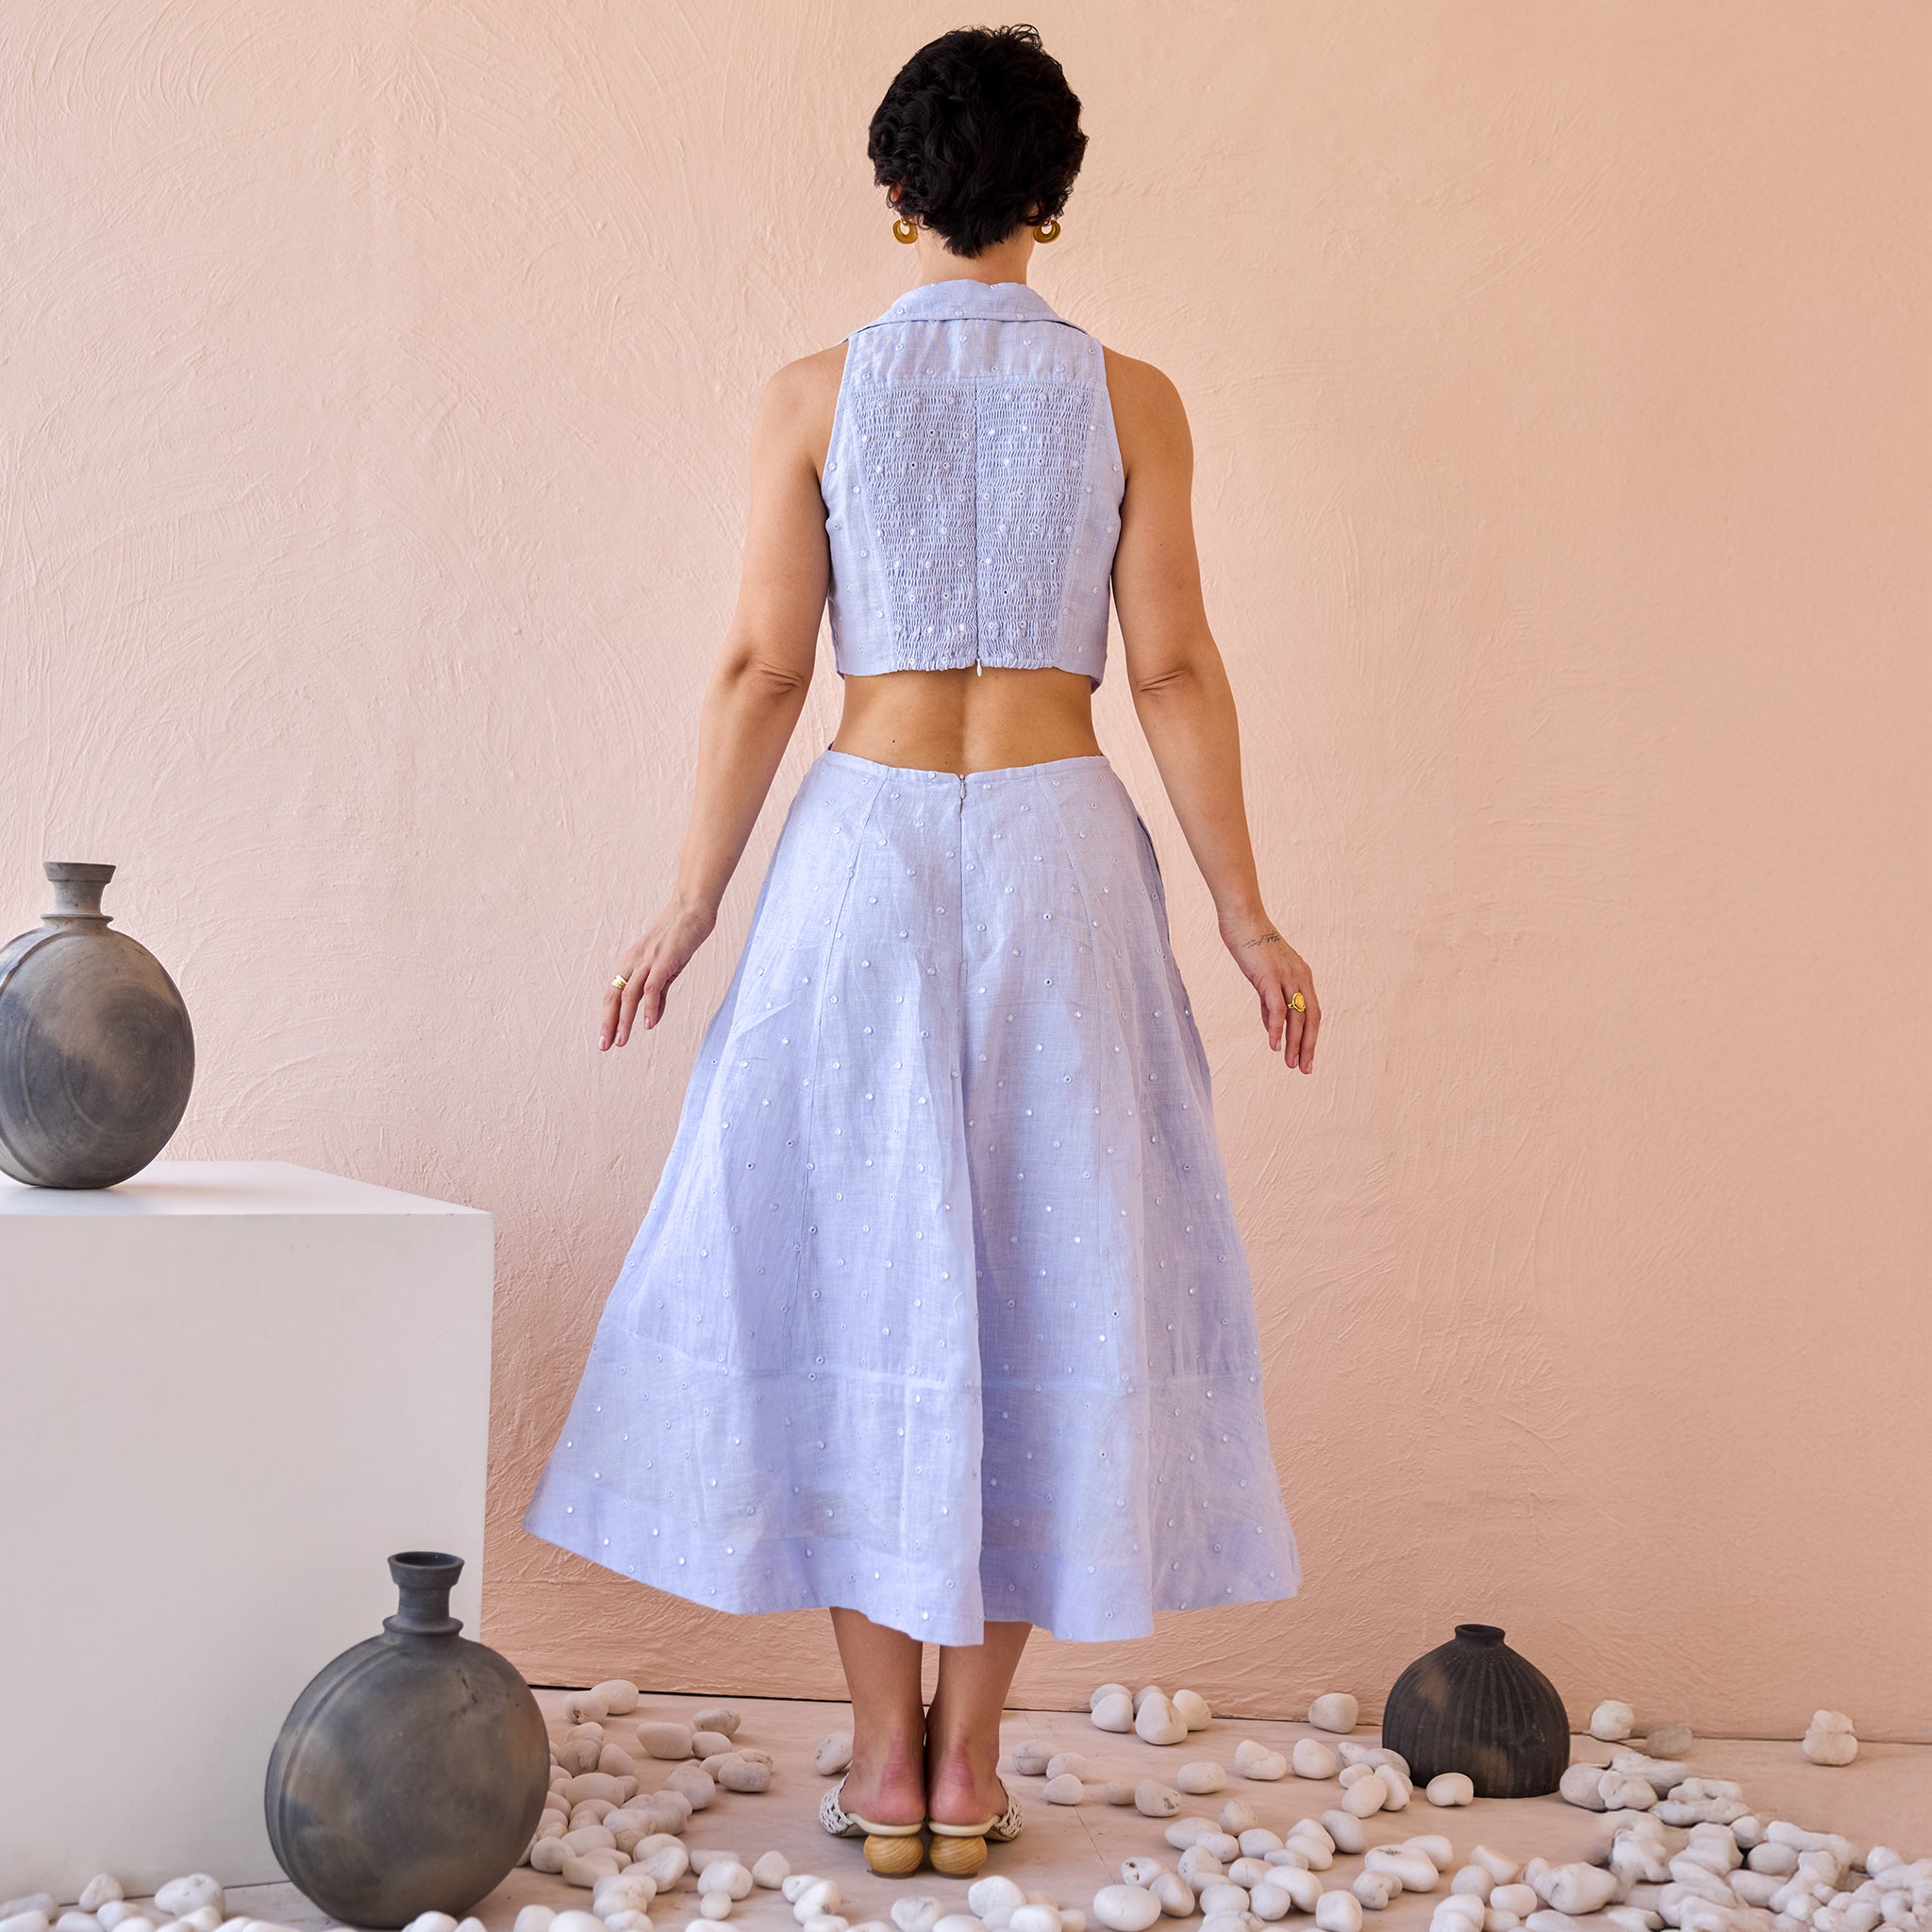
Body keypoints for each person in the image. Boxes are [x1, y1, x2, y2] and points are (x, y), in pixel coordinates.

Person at [524, 22, 1318, 1879]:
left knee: (855, 1268)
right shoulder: (1134, 399)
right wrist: (1247, 912)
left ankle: (881, 1759)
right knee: (1051, 1265)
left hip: (863, 853)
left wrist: (691, 901)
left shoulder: (813, 393)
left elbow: (762, 667)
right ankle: (972, 1763)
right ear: (1055, 194)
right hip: (1058, 849)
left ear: (897, 195)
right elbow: (1173, 669)